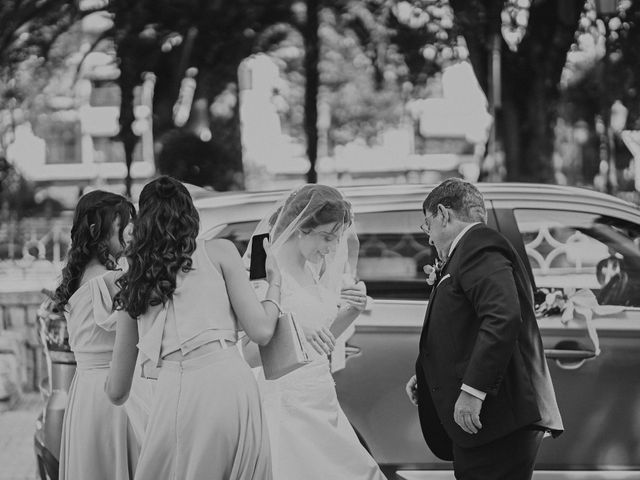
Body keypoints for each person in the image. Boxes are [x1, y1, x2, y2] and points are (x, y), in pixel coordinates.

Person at [105, 175, 282, 480]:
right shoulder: (221, 253)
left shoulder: (131, 280)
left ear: (143, 220)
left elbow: (117, 391)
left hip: (174, 392)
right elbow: (263, 331)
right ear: (190, 214)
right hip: (228, 383)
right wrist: (275, 283)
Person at [405, 178, 563, 479]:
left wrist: (473, 391)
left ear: (443, 214)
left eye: (428, 225)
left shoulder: (479, 247)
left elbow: (501, 317)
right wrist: (429, 374)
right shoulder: (469, 251)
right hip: (491, 423)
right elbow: (467, 326)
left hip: (497, 419)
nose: (429, 239)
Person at [247, 184, 387, 480]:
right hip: (285, 403)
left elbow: (321, 341)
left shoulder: (313, 270)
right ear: (301, 229)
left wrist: (350, 313)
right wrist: (296, 329)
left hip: (320, 394)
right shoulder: (266, 276)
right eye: (326, 237)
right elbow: (248, 351)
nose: (331, 248)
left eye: (336, 239)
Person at [56, 190, 141, 480]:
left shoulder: (79, 275)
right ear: (97, 229)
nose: (128, 232)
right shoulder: (109, 281)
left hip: (86, 394)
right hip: (114, 393)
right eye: (123, 225)